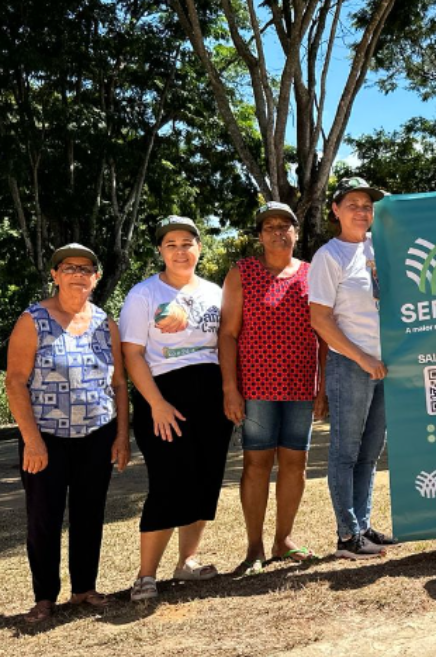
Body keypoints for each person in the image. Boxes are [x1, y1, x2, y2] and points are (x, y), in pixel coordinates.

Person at [5, 244, 130, 623]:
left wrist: (122, 437)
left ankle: (83, 589)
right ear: (55, 275)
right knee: (44, 518)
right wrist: (32, 440)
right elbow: (15, 382)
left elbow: (120, 384)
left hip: (97, 434)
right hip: (46, 439)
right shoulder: (34, 319)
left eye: (86, 267)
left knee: (89, 515)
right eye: (68, 267)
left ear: (95, 277)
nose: (78, 273)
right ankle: (45, 597)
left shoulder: (105, 323)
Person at [120, 216, 233, 601]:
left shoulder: (215, 292)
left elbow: (225, 344)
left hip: (211, 397)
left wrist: (229, 393)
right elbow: (132, 353)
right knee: (169, 483)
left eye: (188, 243)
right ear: (160, 251)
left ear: (199, 248)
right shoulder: (143, 294)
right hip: (164, 396)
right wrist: (157, 404)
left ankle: (187, 562)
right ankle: (145, 576)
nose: (180, 251)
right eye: (171, 244)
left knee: (205, 479)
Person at [219, 202, 328, 574]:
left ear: (296, 233)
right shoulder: (242, 273)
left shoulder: (313, 274)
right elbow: (228, 334)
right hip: (256, 387)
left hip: (301, 386)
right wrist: (230, 388)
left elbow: (324, 335)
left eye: (285, 225)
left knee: (296, 465)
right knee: (256, 463)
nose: (277, 231)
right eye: (269, 226)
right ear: (260, 235)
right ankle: (254, 546)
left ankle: (284, 540)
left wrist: (323, 386)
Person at [309, 177, 397, 559]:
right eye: (353, 204)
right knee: (346, 452)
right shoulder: (329, 257)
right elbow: (320, 319)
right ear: (335, 209)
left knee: (370, 451)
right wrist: (363, 358)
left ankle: (362, 525)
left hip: (385, 366)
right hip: (352, 365)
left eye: (367, 205)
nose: (362, 211)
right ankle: (347, 536)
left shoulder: (382, 248)